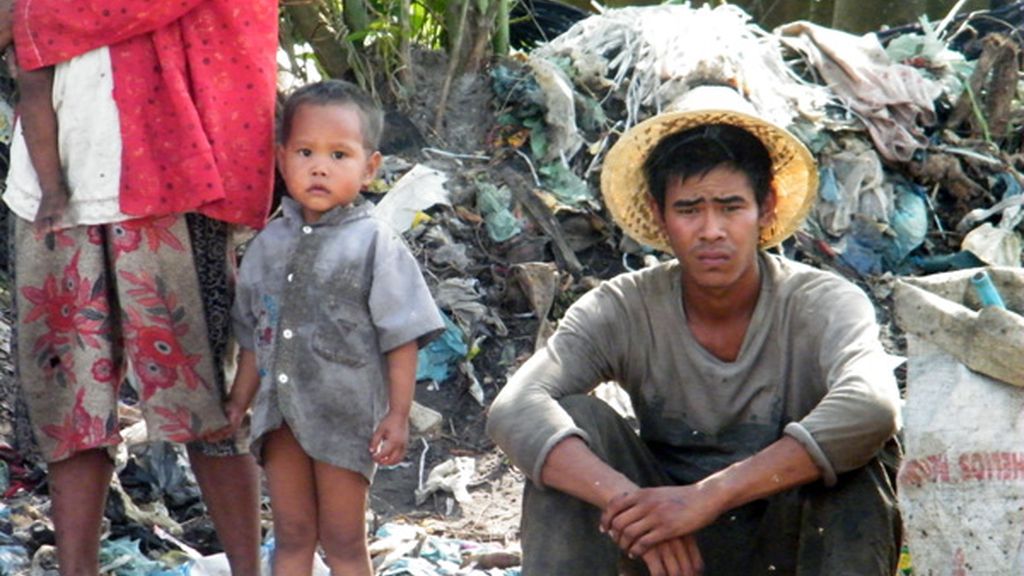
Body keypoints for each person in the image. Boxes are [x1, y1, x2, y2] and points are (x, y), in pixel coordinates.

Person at [486, 85, 902, 576]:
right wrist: (633, 505)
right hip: (662, 551)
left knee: (858, 456)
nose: (711, 230)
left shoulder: (823, 303)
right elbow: (513, 409)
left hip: (788, 546)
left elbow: (872, 405)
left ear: (764, 208)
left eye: (730, 207)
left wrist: (708, 496)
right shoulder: (623, 307)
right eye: (689, 209)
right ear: (660, 216)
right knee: (575, 424)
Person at [0, 1, 277, 574]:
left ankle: (248, 569)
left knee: (209, 396)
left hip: (173, 163)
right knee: (69, 397)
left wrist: (34, 17)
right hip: (51, 182)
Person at [208, 79, 445, 576]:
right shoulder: (267, 243)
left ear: (370, 167)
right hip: (280, 419)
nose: (320, 166)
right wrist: (239, 400)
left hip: (345, 418)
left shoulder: (375, 244)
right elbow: (254, 334)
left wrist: (398, 415)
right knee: (291, 535)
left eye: (340, 155)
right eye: (305, 152)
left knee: (343, 540)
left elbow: (401, 336)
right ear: (281, 158)